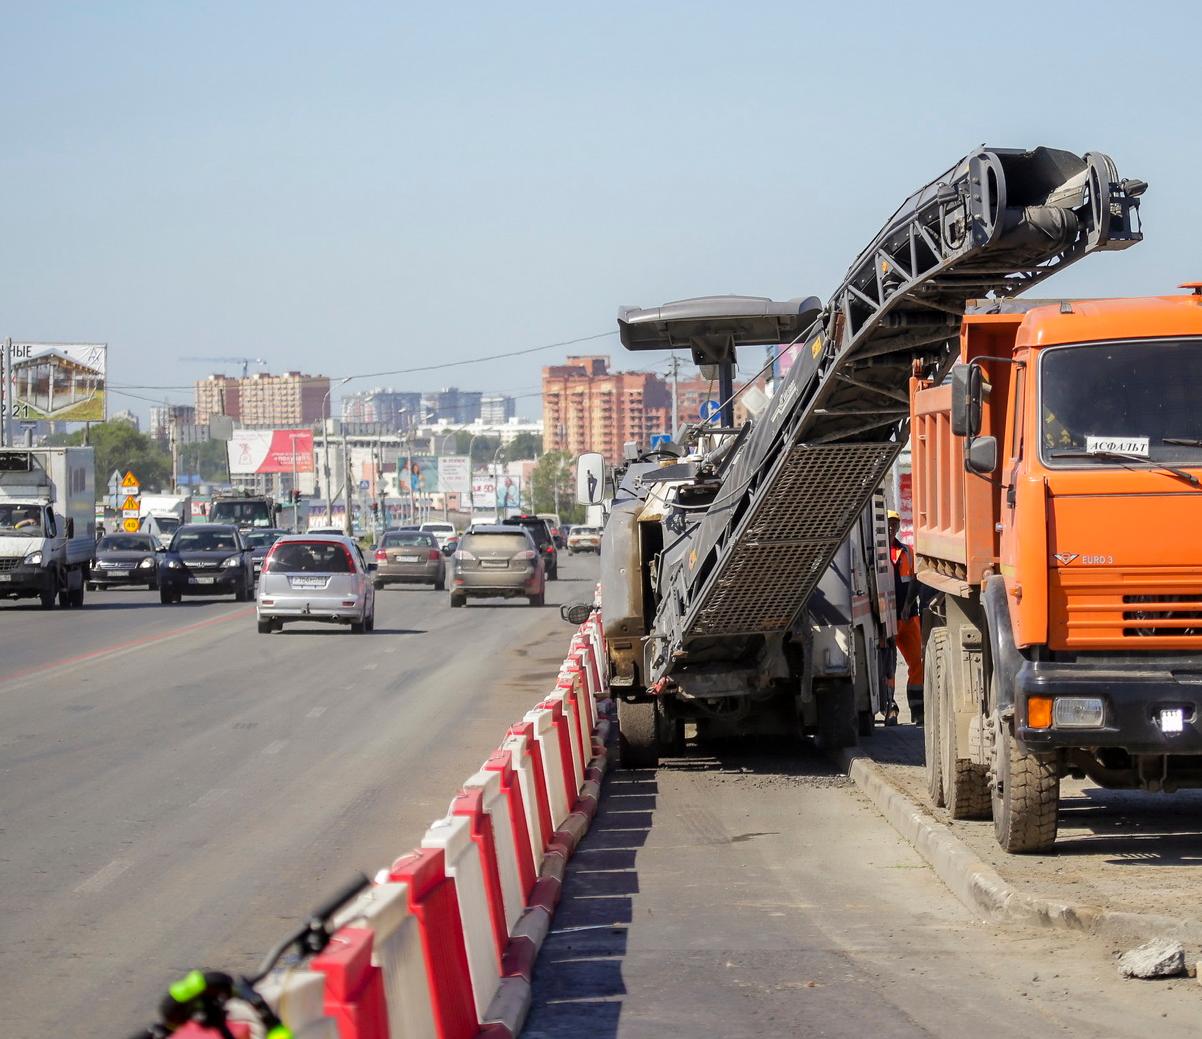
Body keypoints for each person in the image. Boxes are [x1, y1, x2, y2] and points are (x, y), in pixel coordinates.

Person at [885, 509, 924, 726]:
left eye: (894, 523)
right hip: (885, 618)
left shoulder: (907, 552)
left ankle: (918, 711)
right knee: (887, 666)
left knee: (916, 663)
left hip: (908, 618)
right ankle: (890, 708)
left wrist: (908, 606)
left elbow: (915, 581)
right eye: (888, 523)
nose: (891, 527)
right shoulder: (876, 551)